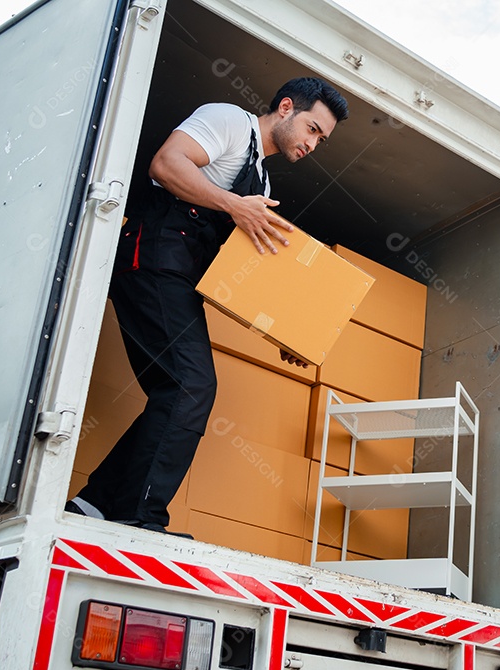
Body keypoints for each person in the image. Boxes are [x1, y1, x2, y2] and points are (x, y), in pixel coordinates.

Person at [66, 77, 349, 535]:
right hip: (152, 258)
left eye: (322, 139)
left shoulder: (262, 177)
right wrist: (234, 205)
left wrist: (283, 333)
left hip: (178, 276)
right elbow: (166, 163)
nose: (314, 144)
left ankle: (94, 505)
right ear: (285, 107)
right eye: (313, 129)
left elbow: (239, 270)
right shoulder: (229, 122)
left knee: (179, 392)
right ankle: (136, 516)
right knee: (191, 386)